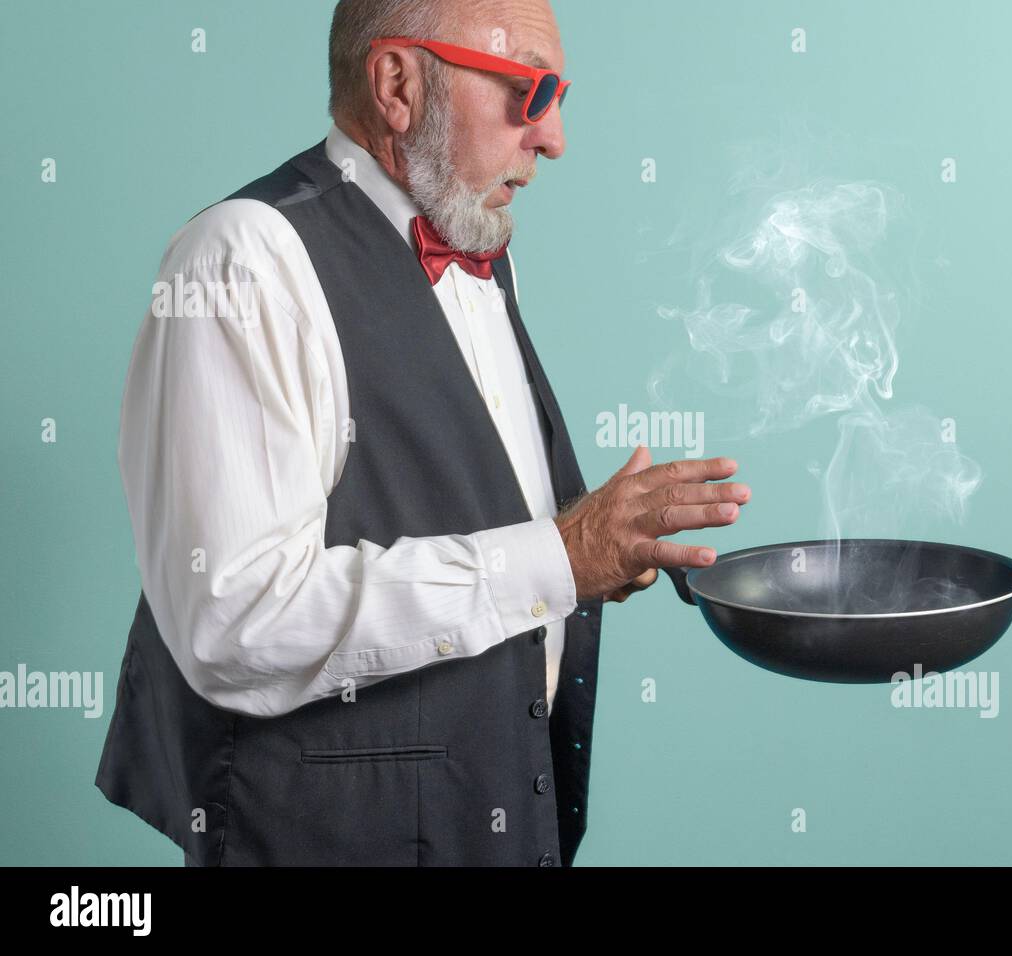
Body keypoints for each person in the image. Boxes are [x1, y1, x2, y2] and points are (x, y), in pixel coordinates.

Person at [95, 0, 749, 867]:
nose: (553, 138)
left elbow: (450, 505)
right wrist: (556, 557)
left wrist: (589, 553)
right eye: (531, 89)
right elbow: (235, 619)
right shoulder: (241, 261)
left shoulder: (479, 249)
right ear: (398, 84)